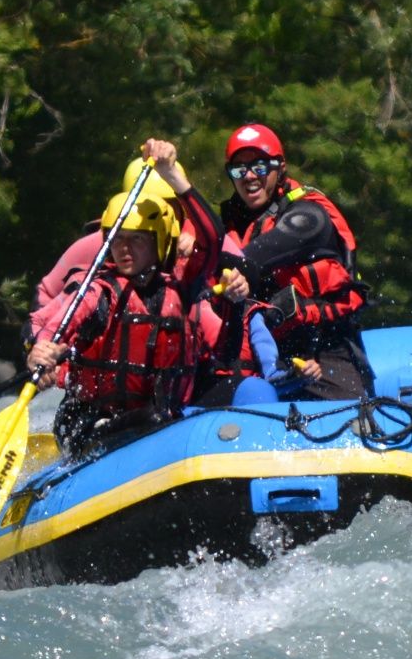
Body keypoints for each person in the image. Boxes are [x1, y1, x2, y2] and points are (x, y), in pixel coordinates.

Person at [24, 141, 219, 452]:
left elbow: (212, 238)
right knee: (155, 419)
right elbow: (52, 319)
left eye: (137, 240)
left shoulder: (181, 285)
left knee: (160, 417)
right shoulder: (97, 289)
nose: (125, 249)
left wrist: (172, 175)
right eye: (119, 239)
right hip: (87, 422)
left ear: (158, 242)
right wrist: (39, 348)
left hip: (156, 419)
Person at [204, 122, 371, 402]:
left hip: (323, 350)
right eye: (239, 170)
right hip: (265, 352)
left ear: (280, 167)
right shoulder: (231, 224)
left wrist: (211, 262)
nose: (249, 177)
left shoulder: (307, 217)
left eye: (259, 167)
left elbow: (252, 257)